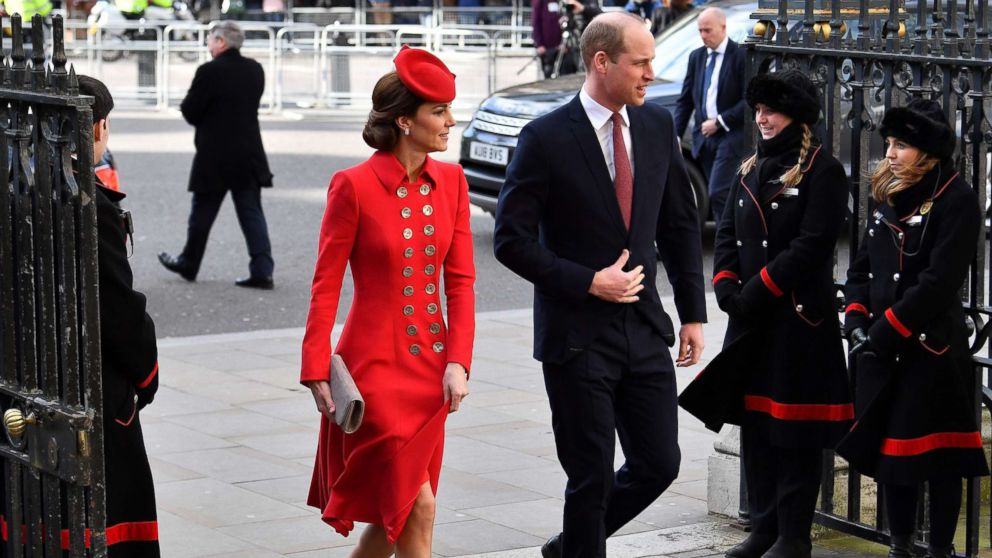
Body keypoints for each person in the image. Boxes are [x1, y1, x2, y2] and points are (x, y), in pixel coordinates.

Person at [494, 12, 706, 558]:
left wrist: (692, 314)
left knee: (660, 463)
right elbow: (511, 242)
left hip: (643, 326)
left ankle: (570, 547)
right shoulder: (544, 137)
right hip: (576, 336)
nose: (651, 74)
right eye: (641, 62)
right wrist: (589, 282)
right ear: (602, 61)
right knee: (589, 478)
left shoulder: (657, 125)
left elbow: (679, 224)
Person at [300, 46, 475, 557]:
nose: (451, 122)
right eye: (438, 112)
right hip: (373, 372)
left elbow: (461, 283)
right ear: (404, 121)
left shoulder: (454, 183)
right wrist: (315, 367)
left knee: (397, 512)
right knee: (418, 507)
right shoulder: (352, 186)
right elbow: (325, 284)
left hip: (431, 376)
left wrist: (459, 362)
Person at [709, 70, 852, 558]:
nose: (762, 118)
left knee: (795, 431)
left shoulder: (822, 169)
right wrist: (727, 288)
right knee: (757, 427)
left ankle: (794, 536)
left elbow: (813, 245)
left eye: (771, 110)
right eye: (758, 110)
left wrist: (758, 290)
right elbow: (727, 232)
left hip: (797, 323)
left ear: (796, 114)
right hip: (750, 320)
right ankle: (764, 527)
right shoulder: (750, 166)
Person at [839, 98, 989, 558]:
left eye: (900, 145)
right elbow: (862, 267)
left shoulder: (957, 199)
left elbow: (938, 281)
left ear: (925, 151)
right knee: (892, 457)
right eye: (888, 143)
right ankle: (900, 545)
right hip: (882, 348)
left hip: (930, 349)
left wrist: (886, 331)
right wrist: (857, 319)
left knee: (940, 461)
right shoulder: (885, 192)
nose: (888, 153)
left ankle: (939, 548)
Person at [81, 75, 162, 558]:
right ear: (98, 128)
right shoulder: (90, 205)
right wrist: (146, 375)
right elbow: (119, 309)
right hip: (94, 387)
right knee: (112, 517)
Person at [158, 21, 276, 289]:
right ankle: (262, 268)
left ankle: (189, 261)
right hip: (248, 152)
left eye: (211, 38)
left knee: (202, 213)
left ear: (221, 42)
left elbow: (190, 110)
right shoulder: (255, 70)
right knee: (251, 213)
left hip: (215, 155)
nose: (209, 42)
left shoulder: (209, 71)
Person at [672, 7, 747, 223]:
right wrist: (676, 135)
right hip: (703, 138)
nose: (703, 35)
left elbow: (748, 100)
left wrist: (721, 121)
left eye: (708, 30)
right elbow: (685, 100)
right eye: (700, 31)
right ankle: (728, 239)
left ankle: (727, 244)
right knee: (721, 195)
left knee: (718, 192)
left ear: (723, 28)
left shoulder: (740, 56)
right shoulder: (696, 57)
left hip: (730, 136)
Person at [531, 0, 602, 78]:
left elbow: (600, 14)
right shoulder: (561, 3)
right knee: (564, 77)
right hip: (565, 49)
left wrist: (583, 9)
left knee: (583, 76)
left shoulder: (587, 3)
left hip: (584, 48)